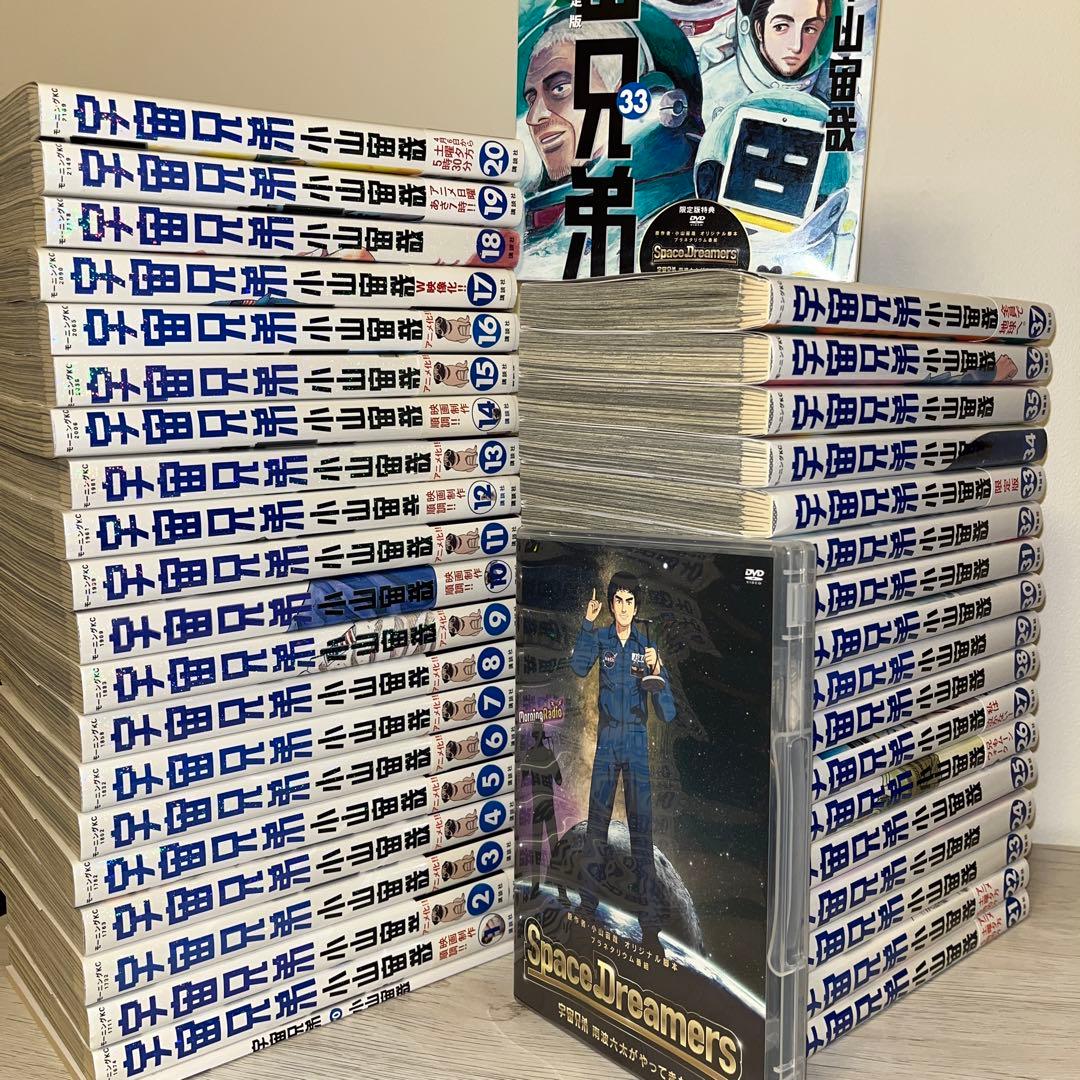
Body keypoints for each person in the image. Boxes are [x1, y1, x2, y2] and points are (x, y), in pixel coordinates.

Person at [570, 572, 676, 950]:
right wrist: (586, 622)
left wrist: (657, 670)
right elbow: (579, 667)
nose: (624, 607)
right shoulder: (601, 638)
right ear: (611, 604)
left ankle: (651, 930)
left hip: (635, 745)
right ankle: (586, 908)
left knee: (641, 836)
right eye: (618, 600)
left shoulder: (647, 649)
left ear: (636, 606)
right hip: (607, 743)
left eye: (630, 601)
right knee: (596, 830)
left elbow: (667, 713)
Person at [521, 719, 569, 903]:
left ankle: (535, 887)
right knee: (555, 848)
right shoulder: (549, 754)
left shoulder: (529, 754)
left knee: (536, 850)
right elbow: (559, 780)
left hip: (537, 806)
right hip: (548, 807)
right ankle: (561, 891)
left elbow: (523, 776)